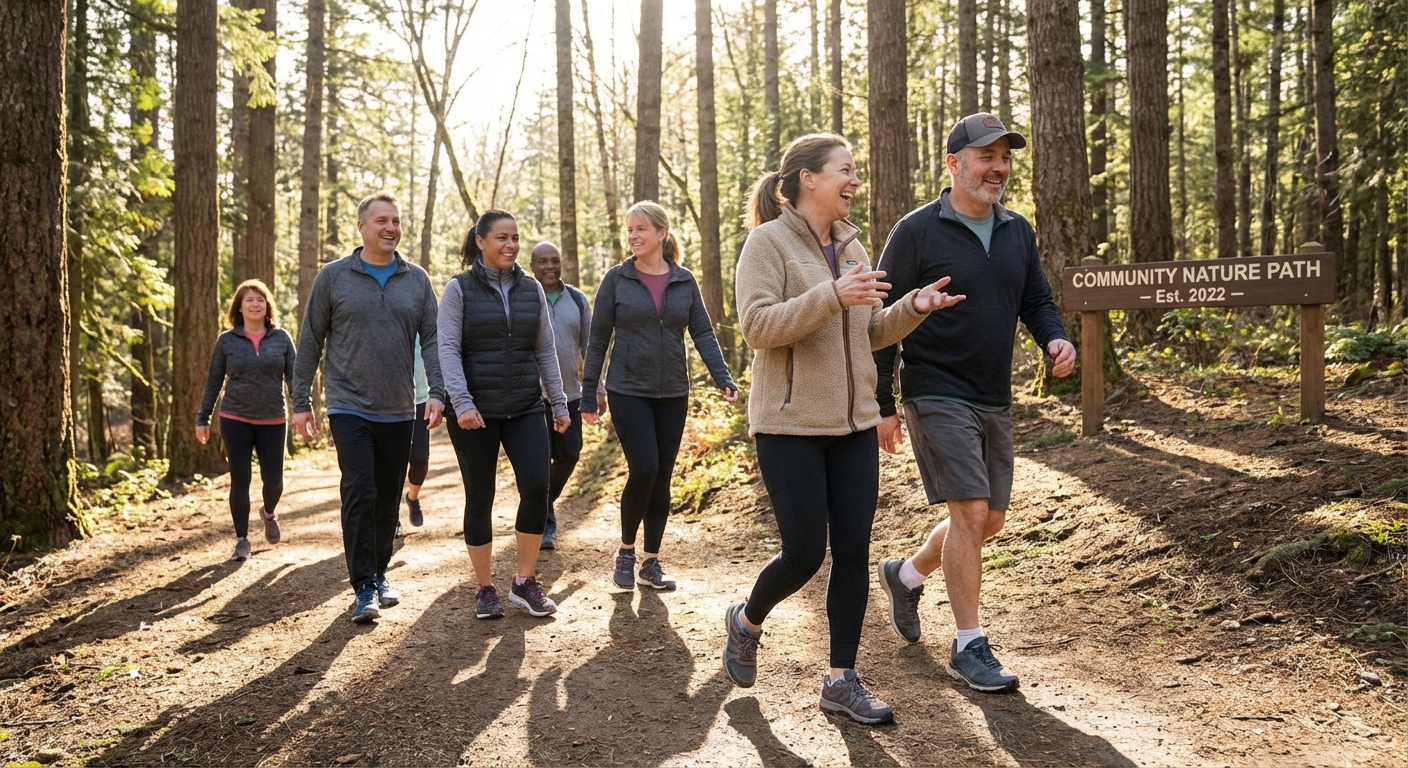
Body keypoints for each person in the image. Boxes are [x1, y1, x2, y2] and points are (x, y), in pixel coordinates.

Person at [721, 133, 965, 724]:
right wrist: (830, 294)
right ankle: (747, 618)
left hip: (854, 425)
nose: (855, 181)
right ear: (809, 179)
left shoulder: (854, 249)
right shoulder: (767, 243)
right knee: (804, 553)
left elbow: (870, 332)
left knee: (854, 551)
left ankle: (841, 679)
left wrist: (912, 308)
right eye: (846, 171)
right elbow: (756, 328)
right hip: (790, 425)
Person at [873, 113, 1075, 693]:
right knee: (969, 510)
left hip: (992, 392)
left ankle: (906, 576)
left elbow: (1035, 297)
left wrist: (1053, 336)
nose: (999, 168)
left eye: (1005, 157)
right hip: (934, 387)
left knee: (990, 520)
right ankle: (969, 644)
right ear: (954, 164)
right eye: (986, 157)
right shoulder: (916, 231)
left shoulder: (1017, 230)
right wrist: (884, 400)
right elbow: (881, 321)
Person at [292, 191, 445, 625]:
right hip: (349, 406)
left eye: (395, 221)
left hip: (399, 407)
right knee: (359, 489)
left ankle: (379, 574)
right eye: (381, 221)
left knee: (386, 495)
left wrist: (438, 392)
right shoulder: (334, 277)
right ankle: (362, 585)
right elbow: (310, 340)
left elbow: (432, 339)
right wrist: (301, 401)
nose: (391, 228)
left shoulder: (416, 280)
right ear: (361, 227)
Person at [581, 201, 737, 593]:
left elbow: (702, 331)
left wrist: (723, 377)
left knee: (663, 476)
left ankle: (651, 562)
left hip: (673, 391)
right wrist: (588, 393)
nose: (633, 236)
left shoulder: (684, 280)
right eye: (629, 229)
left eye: (640, 229)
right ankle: (626, 550)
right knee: (645, 467)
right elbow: (598, 339)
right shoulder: (616, 280)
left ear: (661, 234)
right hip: (628, 388)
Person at [438, 211, 570, 620]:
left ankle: (524, 582)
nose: (510, 245)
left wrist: (559, 402)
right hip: (474, 412)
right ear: (480, 241)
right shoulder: (458, 289)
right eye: (501, 238)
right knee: (481, 495)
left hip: (526, 405)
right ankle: (484, 587)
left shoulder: (530, 288)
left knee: (536, 485)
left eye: (515, 238)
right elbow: (448, 349)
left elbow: (544, 349)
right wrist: (461, 403)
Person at [196, 279, 297, 562]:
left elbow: (294, 379)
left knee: (274, 480)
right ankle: (242, 539)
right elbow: (214, 382)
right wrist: (202, 418)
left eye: (260, 299)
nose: (255, 304)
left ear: (268, 306)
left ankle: (268, 512)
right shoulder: (226, 341)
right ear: (239, 308)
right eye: (249, 300)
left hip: (274, 418)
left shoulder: (282, 338)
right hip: (234, 417)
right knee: (240, 478)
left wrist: (303, 409)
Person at [529, 241, 604, 551]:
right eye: (543, 261)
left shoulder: (576, 298)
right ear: (531, 266)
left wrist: (597, 388)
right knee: (537, 461)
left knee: (570, 454)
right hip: (533, 397)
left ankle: (542, 503)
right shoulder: (524, 297)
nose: (550, 266)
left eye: (555, 260)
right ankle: (544, 521)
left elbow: (590, 346)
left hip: (571, 394)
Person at [399, 336, 432, 540]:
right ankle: (392, 515)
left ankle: (412, 498)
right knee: (393, 463)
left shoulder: (422, 321)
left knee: (419, 459)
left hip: (421, 400)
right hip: (391, 400)